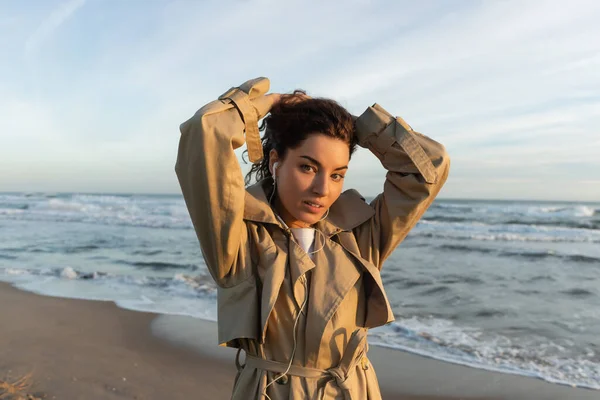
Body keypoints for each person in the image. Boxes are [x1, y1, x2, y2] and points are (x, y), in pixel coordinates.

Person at [176, 77, 450, 399]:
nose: (323, 189)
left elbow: (428, 167)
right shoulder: (238, 236)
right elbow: (204, 133)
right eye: (308, 167)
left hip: (353, 391)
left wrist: (359, 127)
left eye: (337, 174)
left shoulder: (361, 233)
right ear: (276, 162)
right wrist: (271, 102)